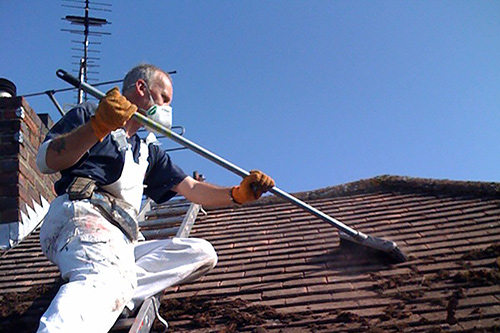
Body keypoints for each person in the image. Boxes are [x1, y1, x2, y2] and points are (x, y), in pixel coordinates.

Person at [35, 63, 275, 332]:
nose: (167, 109)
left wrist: (237, 194)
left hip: (122, 239)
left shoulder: (147, 151)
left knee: (201, 253)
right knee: (102, 277)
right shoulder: (92, 114)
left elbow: (192, 190)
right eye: (164, 99)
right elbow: (46, 160)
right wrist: (97, 126)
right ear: (141, 89)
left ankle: (116, 293)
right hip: (83, 218)